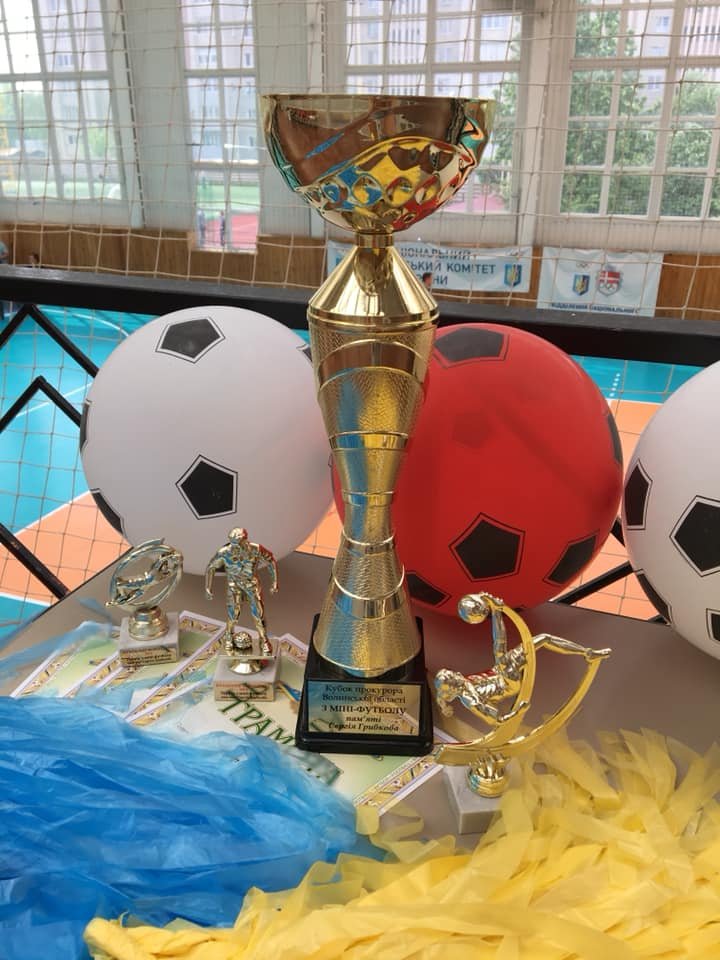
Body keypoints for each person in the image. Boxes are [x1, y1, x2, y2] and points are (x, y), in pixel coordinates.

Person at [205, 528, 278, 655]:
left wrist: (275, 582)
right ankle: (229, 635)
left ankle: (263, 639)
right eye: (232, 543)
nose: (235, 547)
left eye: (238, 543)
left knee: (258, 614)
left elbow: (271, 560)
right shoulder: (225, 552)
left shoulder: (256, 549)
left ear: (245, 540)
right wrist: (208, 587)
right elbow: (211, 567)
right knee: (233, 615)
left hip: (251, 585)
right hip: (234, 586)